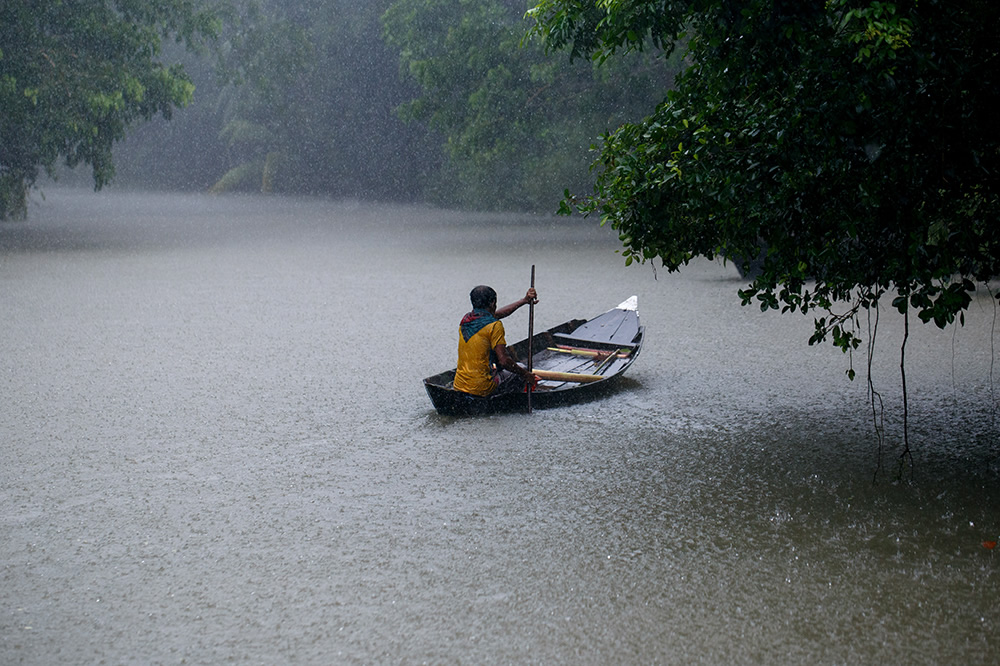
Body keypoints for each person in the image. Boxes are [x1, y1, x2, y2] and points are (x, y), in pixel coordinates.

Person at [453, 284, 539, 396]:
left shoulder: (466, 320)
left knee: (495, 367)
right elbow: (504, 361)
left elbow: (497, 314)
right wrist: (526, 375)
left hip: (459, 385)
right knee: (521, 369)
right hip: (482, 388)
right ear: (493, 302)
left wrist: (524, 300)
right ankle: (509, 403)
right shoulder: (494, 326)